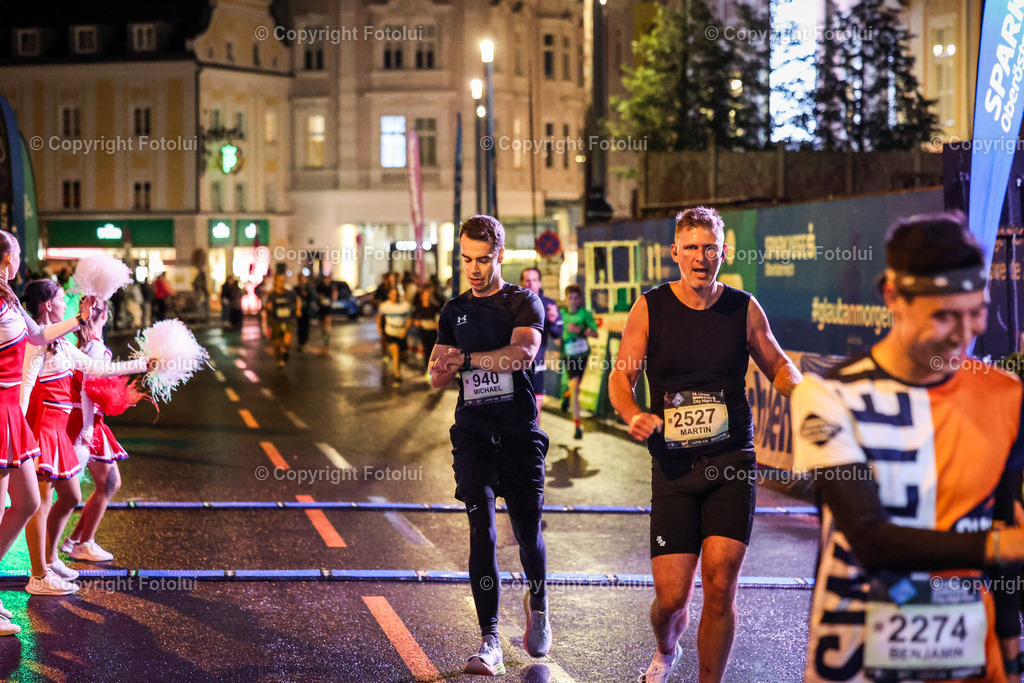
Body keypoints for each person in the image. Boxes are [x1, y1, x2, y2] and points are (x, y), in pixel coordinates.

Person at [793, 211, 1024, 682]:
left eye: (976, 312)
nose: (964, 334)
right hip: (857, 656)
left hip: (970, 658)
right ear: (893, 297)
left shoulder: (1006, 395)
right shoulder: (828, 396)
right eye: (943, 316)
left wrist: (1012, 653)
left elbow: (1006, 532)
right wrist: (1004, 545)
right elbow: (871, 540)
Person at [608, 206, 801, 683]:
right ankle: (666, 646)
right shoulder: (650, 306)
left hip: (732, 460)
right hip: (674, 469)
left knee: (719, 585)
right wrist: (633, 415)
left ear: (723, 252)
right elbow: (621, 376)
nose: (700, 257)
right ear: (674, 252)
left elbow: (777, 363)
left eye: (709, 247)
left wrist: (803, 389)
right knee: (671, 599)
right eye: (691, 247)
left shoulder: (743, 307)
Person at [429, 214, 551, 675]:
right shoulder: (453, 310)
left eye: (483, 260)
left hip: (519, 434)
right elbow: (435, 371)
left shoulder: (523, 302)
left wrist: (469, 359)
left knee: (526, 531)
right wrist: (444, 369)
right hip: (473, 434)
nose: (475, 269)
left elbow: (521, 356)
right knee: (482, 531)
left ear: (500, 255)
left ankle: (538, 601)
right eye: (466, 260)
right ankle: (490, 640)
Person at [20, 282, 147, 597]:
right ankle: (39, 574)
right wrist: (18, 433)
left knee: (72, 496)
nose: (68, 304)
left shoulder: (59, 342)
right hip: (43, 428)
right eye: (62, 299)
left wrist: (145, 364)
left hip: (59, 431)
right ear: (48, 305)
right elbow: (24, 385)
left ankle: (50, 558)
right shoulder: (36, 343)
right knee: (41, 504)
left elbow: (96, 368)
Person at [0, 232, 92, 634]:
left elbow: (37, 336)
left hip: (9, 414)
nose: (21, 258)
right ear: (6, 258)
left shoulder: (9, 299)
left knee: (26, 502)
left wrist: (80, 320)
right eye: (18, 252)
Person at [63, 299, 137, 563]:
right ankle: (83, 543)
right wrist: (88, 427)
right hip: (86, 420)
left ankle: (74, 540)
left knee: (109, 482)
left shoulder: (84, 343)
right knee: (109, 482)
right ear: (105, 314)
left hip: (81, 418)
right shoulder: (95, 347)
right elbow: (87, 390)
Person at [520, 267, 563, 426]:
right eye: (527, 280)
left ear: (539, 282)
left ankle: (534, 442)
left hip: (537, 365)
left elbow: (558, 333)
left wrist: (552, 320)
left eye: (534, 280)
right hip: (514, 366)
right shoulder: (514, 305)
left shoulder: (548, 305)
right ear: (522, 283)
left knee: (536, 411)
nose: (530, 284)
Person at [559, 284, 598, 439]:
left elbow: (595, 333)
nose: (572, 301)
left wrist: (580, 330)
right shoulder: (560, 314)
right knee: (575, 385)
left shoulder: (585, 314)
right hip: (568, 354)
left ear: (579, 300)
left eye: (575, 298)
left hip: (582, 354)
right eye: (570, 298)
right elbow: (553, 331)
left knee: (575, 386)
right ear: (565, 299)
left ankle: (567, 394)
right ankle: (577, 426)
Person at [261, 273, 299, 369]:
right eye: (278, 281)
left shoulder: (289, 293)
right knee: (277, 344)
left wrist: (298, 310)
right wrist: (265, 309)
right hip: (276, 321)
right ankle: (279, 360)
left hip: (287, 321)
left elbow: (297, 301)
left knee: (287, 341)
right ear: (276, 282)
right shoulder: (273, 295)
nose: (280, 283)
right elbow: (268, 306)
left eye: (282, 281)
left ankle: (285, 352)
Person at [378, 287, 412, 387]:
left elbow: (409, 319)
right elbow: (379, 317)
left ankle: (397, 367)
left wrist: (405, 330)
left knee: (403, 356)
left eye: (396, 294)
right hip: (391, 331)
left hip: (401, 332)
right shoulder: (385, 306)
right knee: (395, 352)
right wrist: (379, 327)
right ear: (389, 295)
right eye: (392, 294)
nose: (394, 296)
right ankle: (397, 376)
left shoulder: (405, 306)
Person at [411, 284, 442, 376]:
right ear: (422, 297)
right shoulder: (419, 308)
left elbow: (438, 318)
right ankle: (427, 370)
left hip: (432, 331)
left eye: (428, 295)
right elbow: (414, 319)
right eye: (425, 295)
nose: (426, 297)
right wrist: (417, 322)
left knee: (433, 350)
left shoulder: (434, 307)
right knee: (426, 349)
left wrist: (437, 324)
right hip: (423, 331)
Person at [294, 273, 317, 353]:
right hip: (299, 311)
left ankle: (305, 343)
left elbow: (314, 297)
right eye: (300, 279)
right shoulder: (296, 288)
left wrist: (307, 295)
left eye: (303, 278)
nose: (302, 280)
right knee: (300, 327)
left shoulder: (309, 288)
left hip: (307, 311)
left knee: (306, 327)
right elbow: (293, 298)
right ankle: (300, 343)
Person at [316, 275, 335, 348]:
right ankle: (324, 334)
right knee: (322, 325)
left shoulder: (331, 288)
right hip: (321, 309)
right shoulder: (319, 287)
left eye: (328, 279)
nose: (326, 280)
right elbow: (318, 297)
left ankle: (327, 337)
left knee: (327, 323)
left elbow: (332, 298)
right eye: (325, 279)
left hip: (328, 309)